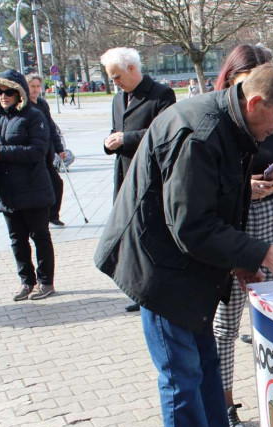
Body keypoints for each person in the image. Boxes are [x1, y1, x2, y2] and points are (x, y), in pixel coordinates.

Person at [94, 64, 273, 427]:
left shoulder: (231, 125)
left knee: (205, 360)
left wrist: (240, 261)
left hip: (186, 264)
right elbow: (191, 226)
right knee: (180, 374)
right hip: (160, 268)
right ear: (255, 103)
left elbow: (217, 204)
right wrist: (261, 254)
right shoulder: (201, 133)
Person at [212, 46, 273, 427]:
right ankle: (226, 406)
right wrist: (240, 190)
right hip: (234, 232)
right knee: (226, 324)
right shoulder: (220, 125)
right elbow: (206, 193)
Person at [101, 47, 176, 311]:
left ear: (132, 69)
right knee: (129, 236)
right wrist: (110, 141)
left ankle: (156, 290)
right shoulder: (118, 98)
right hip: (124, 174)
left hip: (148, 176)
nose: (115, 82)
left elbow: (165, 134)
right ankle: (138, 291)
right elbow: (116, 129)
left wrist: (126, 138)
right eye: (111, 78)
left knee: (149, 235)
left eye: (117, 76)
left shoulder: (161, 94)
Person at [0, 70, 56, 301]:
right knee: (16, 240)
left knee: (40, 237)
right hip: (6, 191)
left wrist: (4, 152)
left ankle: (45, 282)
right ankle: (26, 281)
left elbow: (39, 150)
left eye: (9, 91)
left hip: (33, 189)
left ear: (18, 92)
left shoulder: (33, 115)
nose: (3, 96)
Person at [26, 74, 68, 227]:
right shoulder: (25, 106)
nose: (36, 90)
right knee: (43, 186)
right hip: (34, 154)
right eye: (33, 86)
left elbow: (51, 127)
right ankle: (40, 216)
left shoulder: (42, 104)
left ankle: (53, 215)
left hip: (47, 153)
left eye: (38, 86)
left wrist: (59, 149)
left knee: (57, 183)